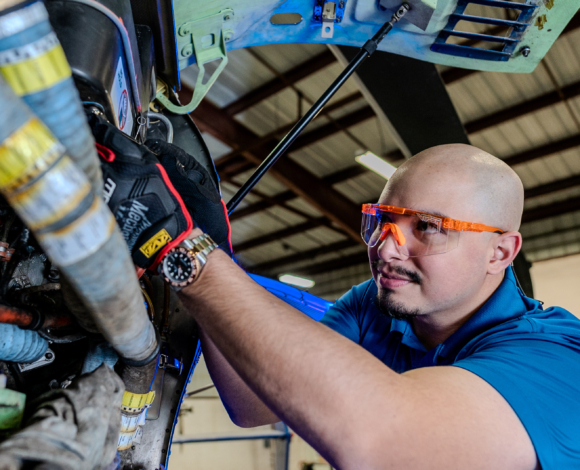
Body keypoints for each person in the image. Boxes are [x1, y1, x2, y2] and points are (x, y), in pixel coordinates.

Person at [154, 143, 580, 469]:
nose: (387, 250)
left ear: (500, 253)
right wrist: (211, 242)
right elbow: (252, 403)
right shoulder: (374, 306)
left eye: (427, 227)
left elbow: (385, 447)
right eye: (383, 222)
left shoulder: (557, 358)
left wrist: (187, 253)